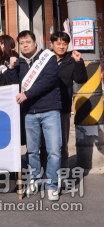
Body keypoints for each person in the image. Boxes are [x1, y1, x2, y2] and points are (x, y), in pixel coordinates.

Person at [6, 30, 62, 201]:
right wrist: (11, 68)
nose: (25, 45)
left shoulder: (48, 57)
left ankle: (52, 184)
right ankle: (34, 181)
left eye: (28, 42)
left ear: (35, 43)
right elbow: (12, 86)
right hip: (29, 112)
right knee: (31, 152)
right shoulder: (19, 62)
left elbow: (48, 81)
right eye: (22, 43)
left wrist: (28, 94)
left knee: (54, 150)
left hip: (50, 109)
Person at [50, 31, 88, 168]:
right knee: (46, 143)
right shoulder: (44, 59)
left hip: (63, 107)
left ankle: (63, 173)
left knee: (62, 143)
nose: (61, 46)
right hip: (46, 106)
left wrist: (78, 61)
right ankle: (47, 172)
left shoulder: (71, 60)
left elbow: (81, 79)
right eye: (58, 43)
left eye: (64, 44)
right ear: (52, 44)